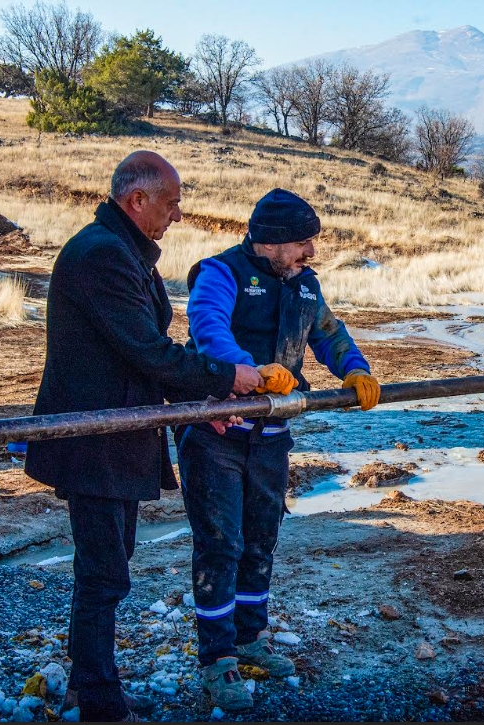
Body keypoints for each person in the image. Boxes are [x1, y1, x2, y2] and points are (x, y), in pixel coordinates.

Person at [25, 151, 264, 722]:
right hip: (97, 439)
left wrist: (198, 406)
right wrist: (226, 378)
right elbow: (148, 351)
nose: (178, 214)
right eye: (172, 202)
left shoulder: (119, 249)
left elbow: (138, 359)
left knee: (108, 566)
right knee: (104, 572)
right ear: (138, 201)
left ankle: (91, 686)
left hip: (117, 433)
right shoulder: (104, 256)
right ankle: (98, 697)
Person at [178, 188, 380, 711]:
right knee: (220, 545)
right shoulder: (219, 274)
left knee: (261, 540)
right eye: (303, 242)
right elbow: (208, 332)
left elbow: (331, 335)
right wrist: (250, 373)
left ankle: (250, 641)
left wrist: (354, 367)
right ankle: (217, 660)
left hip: (271, 439)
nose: (311, 251)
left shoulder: (305, 286)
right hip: (216, 437)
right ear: (271, 242)